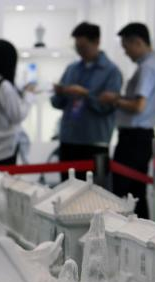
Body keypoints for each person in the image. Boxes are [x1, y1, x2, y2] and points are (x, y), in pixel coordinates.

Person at [99, 23, 155, 219]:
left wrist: (114, 100)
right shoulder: (154, 64)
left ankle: (121, 234)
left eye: (126, 47)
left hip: (134, 138)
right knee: (136, 195)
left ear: (137, 42)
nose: (126, 52)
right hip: (140, 137)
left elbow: (138, 106)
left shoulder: (148, 67)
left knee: (123, 195)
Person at [51, 22, 122, 179]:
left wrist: (85, 94)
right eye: (77, 48)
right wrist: (60, 92)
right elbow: (57, 103)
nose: (80, 52)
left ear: (96, 42)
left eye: (83, 47)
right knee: (67, 188)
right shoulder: (72, 69)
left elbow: (107, 107)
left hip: (94, 141)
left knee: (94, 191)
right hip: (68, 139)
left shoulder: (111, 72)